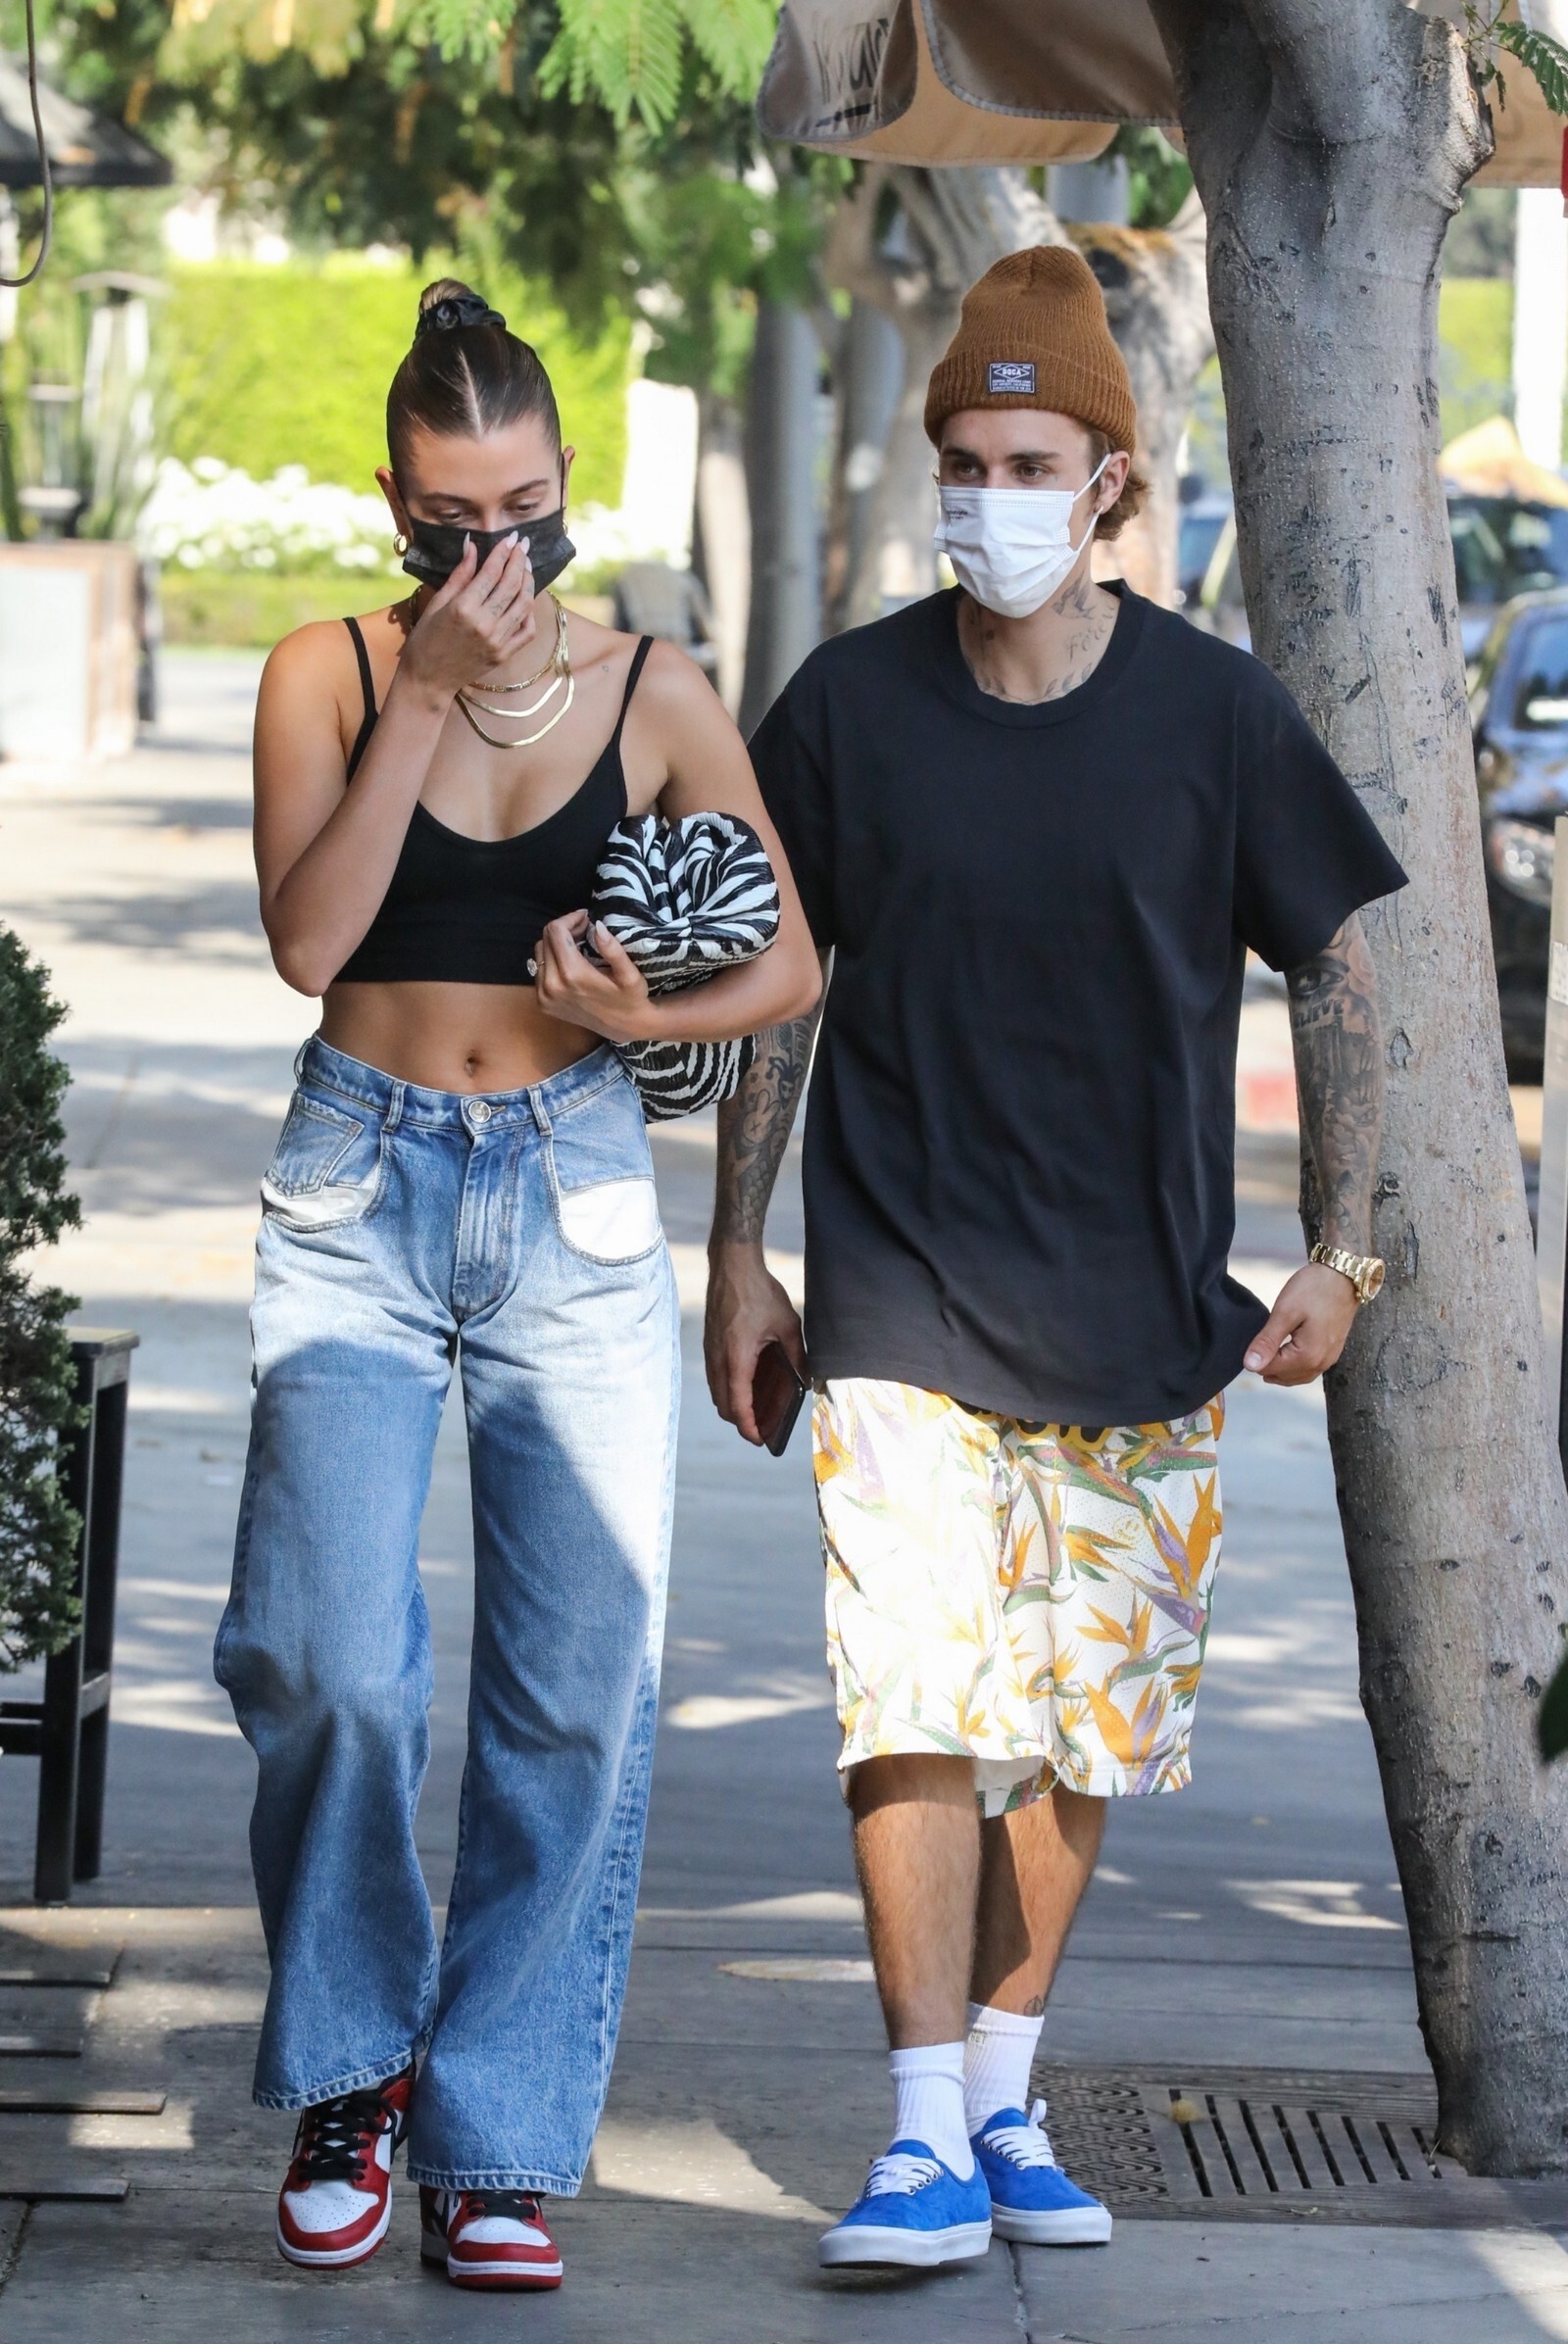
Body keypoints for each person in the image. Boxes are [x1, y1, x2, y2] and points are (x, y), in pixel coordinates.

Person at [704, 246, 1403, 2272]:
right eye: (963, 460)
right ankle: (920, 2128)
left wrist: (1344, 1246)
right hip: (897, 1296)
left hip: (1141, 1309)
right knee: (911, 1695)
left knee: (1080, 1729)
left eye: (1027, 464)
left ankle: (1004, 2088)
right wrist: (738, 1251)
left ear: (1109, 481)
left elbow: (1340, 969)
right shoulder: (847, 708)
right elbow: (777, 990)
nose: (988, 497)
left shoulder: (1215, 713)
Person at [215, 279, 818, 2290]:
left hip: (572, 1189)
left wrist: (643, 1012)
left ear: (570, 479)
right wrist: (425, 700)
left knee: (571, 1690)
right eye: (452, 520)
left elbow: (789, 961)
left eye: (525, 511)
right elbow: (311, 942)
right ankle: (352, 2067)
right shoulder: (325, 671)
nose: (494, 555)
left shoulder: (650, 687)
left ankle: (496, 2134)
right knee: (326, 1655)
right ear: (393, 499)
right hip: (357, 1185)